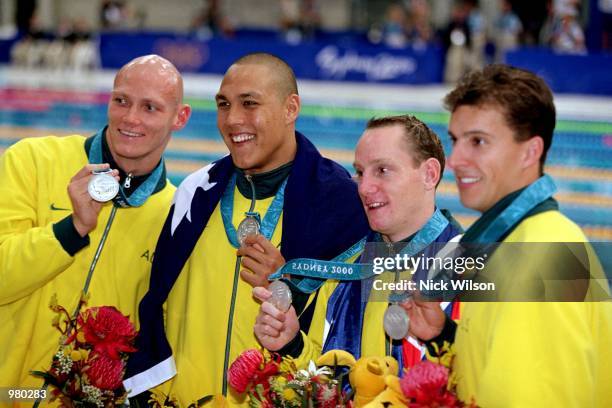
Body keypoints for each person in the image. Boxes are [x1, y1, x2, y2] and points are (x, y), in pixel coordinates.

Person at [124, 53, 369, 405]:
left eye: (249, 103)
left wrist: (289, 288)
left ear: (290, 108)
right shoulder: (197, 190)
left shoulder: (343, 207)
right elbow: (157, 307)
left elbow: (347, 343)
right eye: (224, 105)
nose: (232, 119)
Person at [403, 64, 612, 406]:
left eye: (479, 142)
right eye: (457, 140)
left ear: (530, 152)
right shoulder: (517, 239)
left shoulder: (540, 257)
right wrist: (444, 336)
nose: (455, 160)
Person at [0, 55, 191, 391]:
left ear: (181, 117)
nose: (131, 118)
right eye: (122, 101)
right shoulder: (31, 160)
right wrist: (70, 230)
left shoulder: (176, 216)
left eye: (150, 108)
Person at [253, 114, 462, 372]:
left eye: (382, 170)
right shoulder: (345, 273)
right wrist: (292, 344)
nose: (364, 188)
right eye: (361, 173)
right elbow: (322, 379)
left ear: (429, 174)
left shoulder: (470, 266)